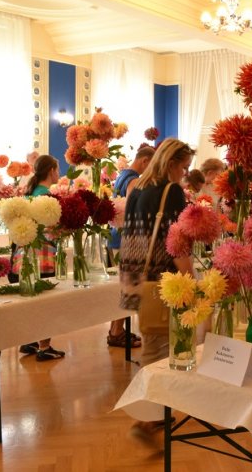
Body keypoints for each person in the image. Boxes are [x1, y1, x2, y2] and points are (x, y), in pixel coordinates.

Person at [120, 138, 194, 437]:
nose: (184, 174)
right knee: (158, 348)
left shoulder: (137, 187)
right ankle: (147, 414)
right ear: (172, 163)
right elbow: (174, 241)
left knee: (152, 342)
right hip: (162, 279)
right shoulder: (170, 191)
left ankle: (153, 411)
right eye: (184, 167)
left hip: (135, 276)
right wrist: (190, 277)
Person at [16, 154, 65, 362]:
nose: (59, 173)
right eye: (57, 169)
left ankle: (30, 339)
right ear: (51, 171)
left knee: (33, 298)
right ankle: (44, 346)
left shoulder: (31, 192)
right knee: (45, 299)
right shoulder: (46, 196)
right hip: (43, 252)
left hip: (27, 251)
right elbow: (52, 228)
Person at [107, 144, 155, 349]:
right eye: (151, 165)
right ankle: (117, 331)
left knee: (122, 286)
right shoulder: (133, 179)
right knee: (127, 287)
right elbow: (135, 210)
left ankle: (115, 330)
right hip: (125, 238)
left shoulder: (122, 175)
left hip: (116, 236)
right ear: (144, 161)